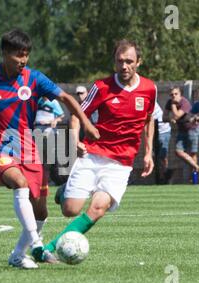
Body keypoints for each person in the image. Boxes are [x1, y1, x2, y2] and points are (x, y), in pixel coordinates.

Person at [0, 29, 99, 269]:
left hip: (28, 147)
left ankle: (17, 255)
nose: (23, 60)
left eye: (26, 55)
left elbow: (65, 98)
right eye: (18, 55)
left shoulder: (34, 78)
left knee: (41, 212)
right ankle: (37, 245)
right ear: (4, 53)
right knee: (20, 183)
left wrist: (85, 123)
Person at [37, 39, 156, 260]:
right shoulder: (101, 88)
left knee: (98, 208)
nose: (124, 66)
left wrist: (148, 152)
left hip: (121, 164)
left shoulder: (150, 89)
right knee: (70, 210)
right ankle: (64, 192)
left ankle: (50, 249)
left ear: (139, 62)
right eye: (120, 61)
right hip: (93, 155)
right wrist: (75, 141)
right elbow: (76, 114)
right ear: (114, 62)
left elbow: (149, 119)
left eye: (129, 61)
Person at [165, 87, 199, 183]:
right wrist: (171, 119)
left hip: (193, 129)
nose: (173, 96)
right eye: (171, 94)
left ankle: (195, 179)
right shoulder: (169, 102)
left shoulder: (184, 102)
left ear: (180, 94)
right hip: (182, 130)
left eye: (175, 94)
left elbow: (178, 115)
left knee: (193, 153)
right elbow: (164, 117)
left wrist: (173, 106)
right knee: (178, 151)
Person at [34, 97, 65, 185]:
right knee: (39, 157)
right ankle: (41, 179)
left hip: (49, 130)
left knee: (52, 157)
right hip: (38, 129)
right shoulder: (38, 101)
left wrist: (55, 120)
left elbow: (61, 115)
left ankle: (56, 180)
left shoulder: (54, 102)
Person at [153, 102, 173, 183]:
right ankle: (161, 176)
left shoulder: (149, 102)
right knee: (155, 156)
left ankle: (165, 176)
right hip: (154, 132)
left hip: (163, 131)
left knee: (162, 156)